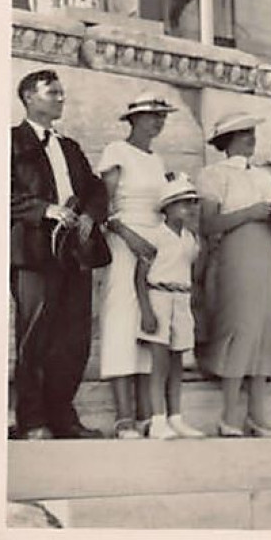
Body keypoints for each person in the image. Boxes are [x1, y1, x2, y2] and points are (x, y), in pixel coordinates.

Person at [10, 69, 107, 439]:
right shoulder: (10, 142)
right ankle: (32, 421)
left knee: (73, 338)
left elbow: (96, 189)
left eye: (62, 92)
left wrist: (89, 216)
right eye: (52, 93)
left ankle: (63, 418)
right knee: (34, 336)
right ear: (29, 98)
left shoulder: (70, 147)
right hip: (34, 253)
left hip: (74, 253)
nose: (61, 98)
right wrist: (44, 210)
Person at [195, 112, 271, 437]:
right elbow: (207, 224)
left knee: (265, 328)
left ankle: (257, 416)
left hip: (267, 254)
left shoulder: (264, 177)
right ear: (228, 139)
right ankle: (229, 415)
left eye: (251, 132)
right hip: (235, 255)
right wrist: (249, 213)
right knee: (240, 328)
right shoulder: (213, 174)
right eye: (242, 133)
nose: (250, 137)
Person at [97, 93, 177, 439]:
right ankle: (123, 416)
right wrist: (129, 237)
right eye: (150, 115)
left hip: (154, 243)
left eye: (161, 115)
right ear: (133, 119)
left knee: (151, 322)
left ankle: (147, 413)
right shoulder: (117, 151)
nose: (157, 121)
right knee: (122, 317)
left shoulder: (157, 160)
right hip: (124, 239)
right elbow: (104, 203)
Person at [135, 173, 204, 440]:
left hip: (182, 299)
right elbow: (139, 277)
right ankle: (157, 419)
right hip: (159, 298)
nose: (189, 208)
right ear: (167, 207)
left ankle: (176, 417)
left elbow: (195, 269)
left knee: (177, 362)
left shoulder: (190, 238)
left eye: (192, 202)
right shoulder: (155, 236)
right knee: (160, 361)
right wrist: (146, 311)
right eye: (182, 203)